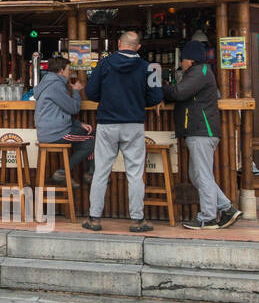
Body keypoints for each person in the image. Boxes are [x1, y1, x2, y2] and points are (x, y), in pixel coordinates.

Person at [83, 30, 164, 233]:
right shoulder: (150, 67)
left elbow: (91, 92)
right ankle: (137, 220)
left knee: (101, 170)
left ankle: (94, 218)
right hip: (134, 124)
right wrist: (137, 101)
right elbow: (155, 97)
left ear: (119, 43)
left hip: (107, 124)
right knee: (135, 173)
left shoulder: (104, 64)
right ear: (138, 47)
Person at [166, 41, 243, 231]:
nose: (181, 63)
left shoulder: (200, 72)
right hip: (199, 131)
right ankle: (227, 208)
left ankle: (207, 218)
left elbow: (179, 92)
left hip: (202, 131)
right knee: (197, 175)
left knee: (202, 175)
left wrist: (162, 90)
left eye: (183, 59)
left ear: (191, 60)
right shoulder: (197, 72)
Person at [33, 57, 95, 187]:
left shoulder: (47, 83)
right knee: (94, 139)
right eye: (68, 69)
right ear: (61, 71)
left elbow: (60, 111)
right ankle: (67, 172)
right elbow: (73, 108)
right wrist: (77, 91)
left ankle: (81, 173)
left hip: (49, 132)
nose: (70, 72)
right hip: (56, 133)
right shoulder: (55, 85)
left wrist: (79, 124)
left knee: (89, 140)